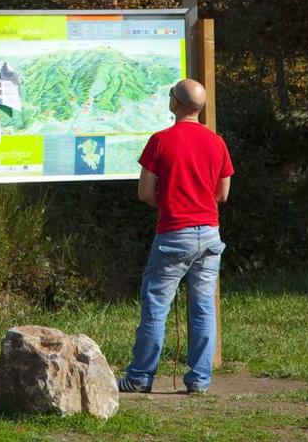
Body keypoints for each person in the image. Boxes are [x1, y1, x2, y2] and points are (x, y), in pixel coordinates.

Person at [117, 78, 233, 395]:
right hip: (210, 235)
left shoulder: (160, 141)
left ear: (175, 103)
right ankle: (199, 380)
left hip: (173, 234)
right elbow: (222, 194)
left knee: (156, 307)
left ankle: (140, 377)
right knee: (203, 309)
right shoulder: (217, 142)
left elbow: (144, 192)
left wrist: (167, 202)